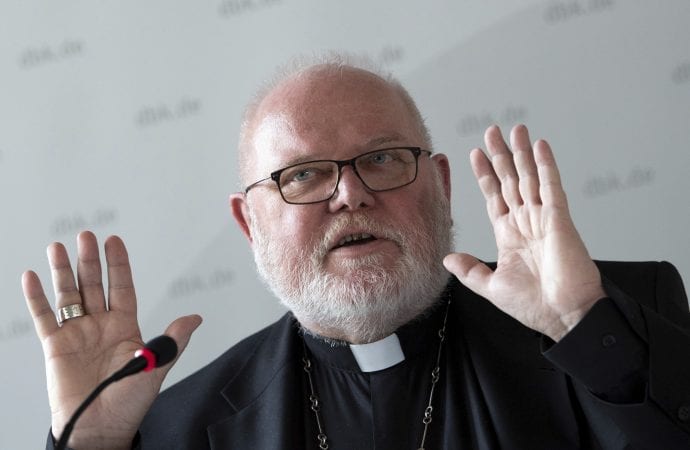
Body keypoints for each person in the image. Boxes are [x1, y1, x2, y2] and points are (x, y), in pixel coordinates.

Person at [23, 56, 690, 449]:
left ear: (442, 186)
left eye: (382, 158)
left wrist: (583, 324)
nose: (350, 195)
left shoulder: (619, 323)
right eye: (303, 175)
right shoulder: (174, 426)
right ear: (250, 223)